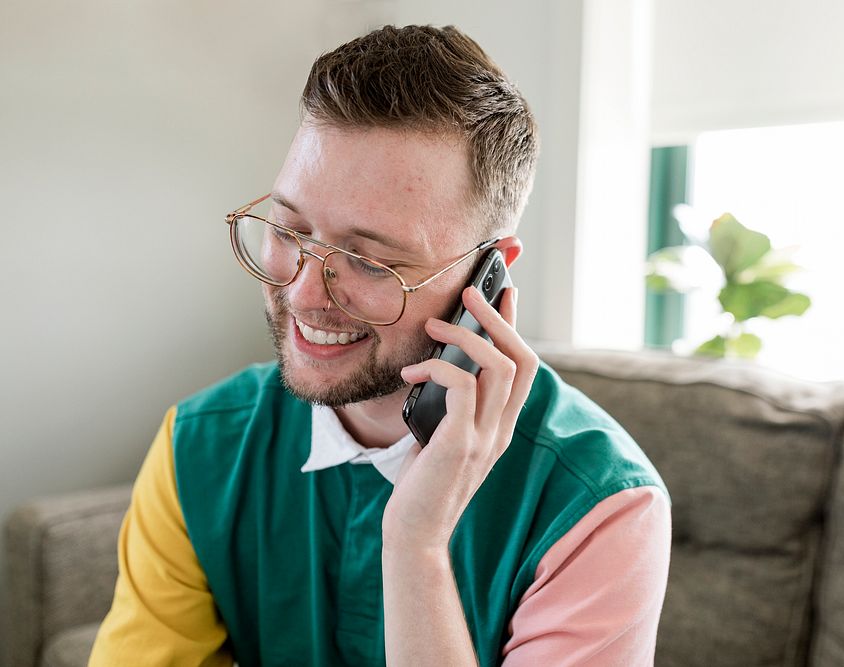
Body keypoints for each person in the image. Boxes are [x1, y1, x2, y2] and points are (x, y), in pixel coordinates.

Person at [89, 24, 671, 666]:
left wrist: (416, 545)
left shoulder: (602, 505)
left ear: (491, 273)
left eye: (369, 260)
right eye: (289, 228)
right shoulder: (197, 449)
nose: (305, 292)